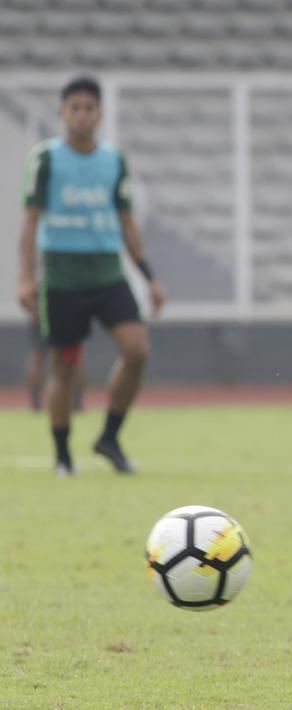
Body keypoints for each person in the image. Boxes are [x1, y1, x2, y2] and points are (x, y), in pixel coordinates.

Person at [16, 76, 165, 476]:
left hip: (107, 273)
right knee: (63, 368)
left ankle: (109, 437)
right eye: (74, 107)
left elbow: (127, 222)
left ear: (99, 113)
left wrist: (148, 276)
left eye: (89, 107)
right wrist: (25, 278)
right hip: (63, 276)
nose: (81, 115)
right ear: (63, 112)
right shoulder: (46, 160)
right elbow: (29, 224)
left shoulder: (114, 161)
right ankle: (63, 455)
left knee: (137, 350)